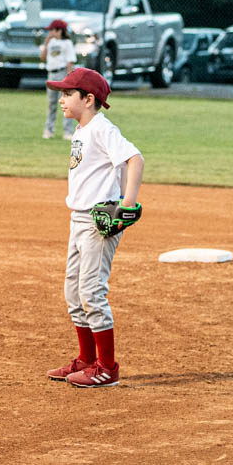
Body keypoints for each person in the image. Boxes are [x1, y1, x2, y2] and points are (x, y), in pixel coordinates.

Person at [44, 66, 144, 388]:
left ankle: (107, 367)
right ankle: (87, 359)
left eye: (67, 93)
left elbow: (135, 159)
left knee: (91, 291)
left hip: (97, 223)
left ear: (88, 99)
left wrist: (127, 203)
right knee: (73, 292)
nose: (61, 99)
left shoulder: (101, 128)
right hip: (78, 219)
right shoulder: (81, 130)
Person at [39, 19, 77, 139]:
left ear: (59, 30)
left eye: (52, 30)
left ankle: (68, 131)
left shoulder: (67, 43)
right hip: (51, 74)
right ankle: (48, 130)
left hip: (62, 73)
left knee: (67, 103)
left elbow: (70, 61)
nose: (50, 32)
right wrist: (46, 44)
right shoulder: (50, 42)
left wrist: (69, 78)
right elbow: (42, 58)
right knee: (51, 104)